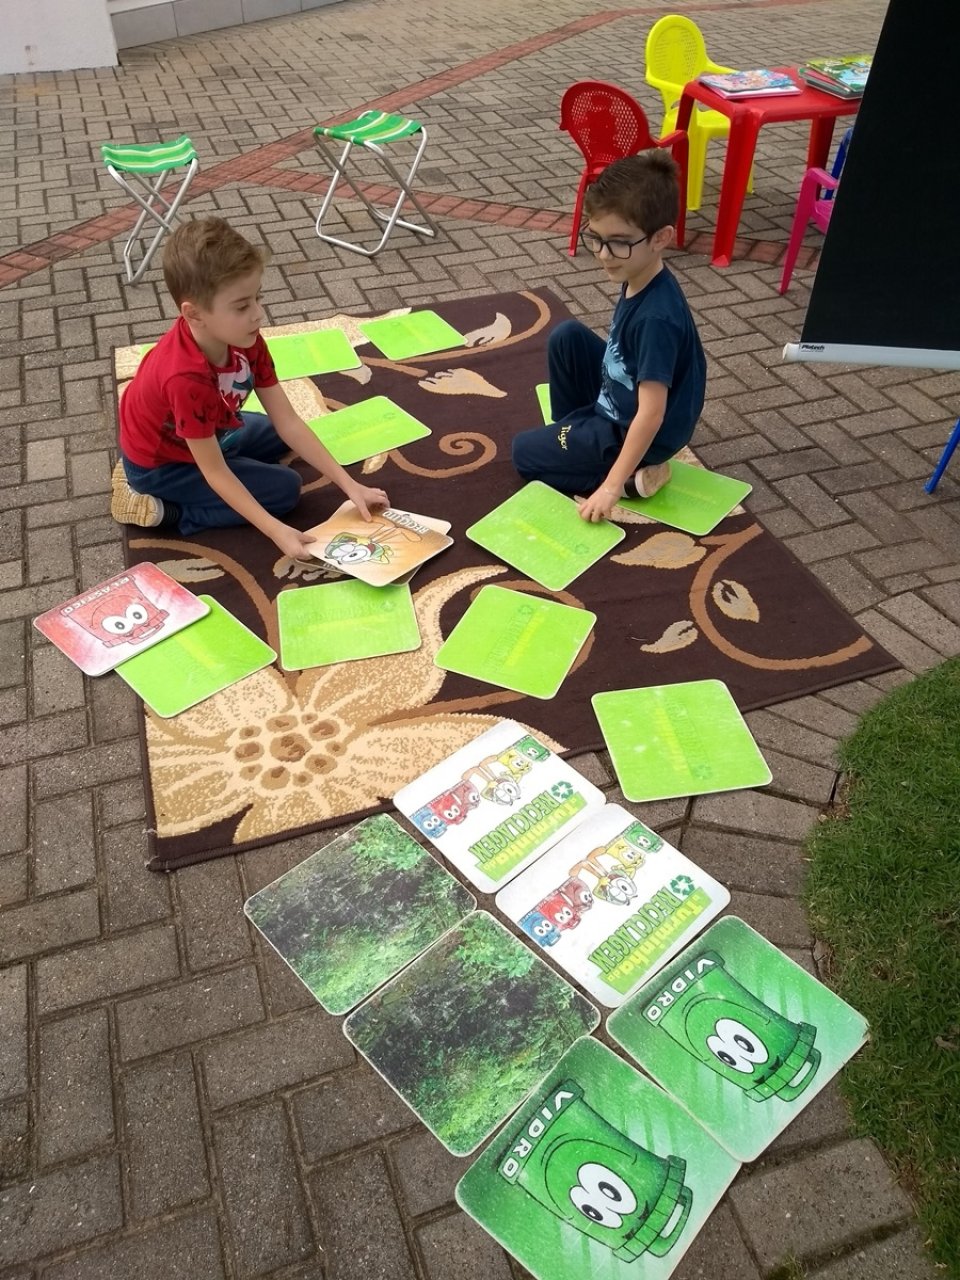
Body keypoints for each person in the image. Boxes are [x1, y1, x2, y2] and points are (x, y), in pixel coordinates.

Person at [110, 217, 387, 559]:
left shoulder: (245, 337)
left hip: (204, 433)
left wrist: (350, 485)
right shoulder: (184, 377)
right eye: (242, 306)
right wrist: (274, 530)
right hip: (161, 465)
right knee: (284, 491)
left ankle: (224, 465)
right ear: (193, 314)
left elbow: (289, 422)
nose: (258, 314)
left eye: (257, 298)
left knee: (273, 433)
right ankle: (168, 510)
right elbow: (214, 472)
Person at [512, 151, 706, 522]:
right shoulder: (641, 274)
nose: (603, 254)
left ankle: (632, 475)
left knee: (524, 454)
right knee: (566, 336)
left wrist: (612, 487)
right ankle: (575, 438)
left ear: (661, 238)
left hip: (643, 431)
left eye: (619, 242)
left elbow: (651, 414)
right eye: (596, 238)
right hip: (621, 399)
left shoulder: (657, 318)